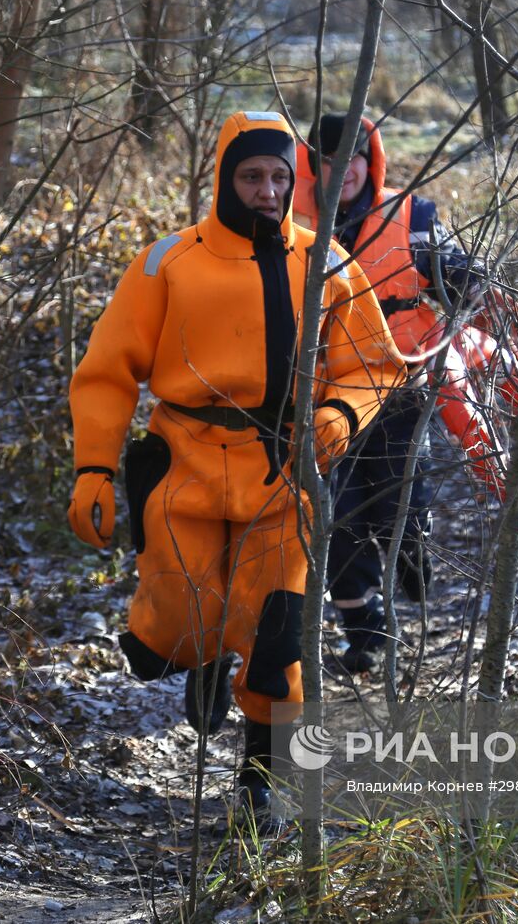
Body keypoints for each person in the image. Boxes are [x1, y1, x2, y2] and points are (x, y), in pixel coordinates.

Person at [66, 111, 404, 821]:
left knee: (279, 636)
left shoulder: (326, 263)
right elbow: (106, 372)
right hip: (182, 462)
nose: (268, 190)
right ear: (225, 177)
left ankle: (259, 781)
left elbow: (373, 364)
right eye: (252, 176)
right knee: (179, 622)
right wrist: (94, 467)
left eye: (281, 176)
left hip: (283, 473)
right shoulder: (168, 262)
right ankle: (205, 657)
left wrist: (340, 414)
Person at [293, 113, 478, 674]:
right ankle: (364, 628)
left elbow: (466, 278)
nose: (340, 170)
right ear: (311, 167)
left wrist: (464, 288)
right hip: (326, 401)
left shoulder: (412, 215)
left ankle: (412, 546)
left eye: (351, 156)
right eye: (326, 160)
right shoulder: (291, 226)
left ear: (368, 160)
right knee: (339, 514)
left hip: (401, 387)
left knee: (398, 501)